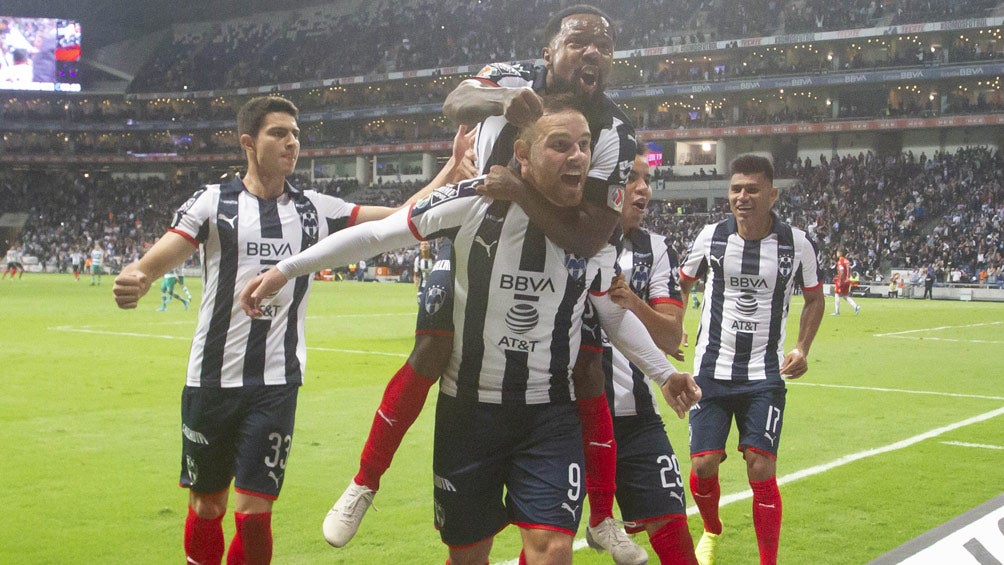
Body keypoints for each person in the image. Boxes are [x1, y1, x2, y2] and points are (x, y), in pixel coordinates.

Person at [240, 98, 700, 565]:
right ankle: (364, 481)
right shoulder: (473, 201)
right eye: (560, 146)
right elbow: (378, 236)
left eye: (583, 145)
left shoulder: (593, 234)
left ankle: (600, 519)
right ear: (522, 154)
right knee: (467, 556)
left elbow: (609, 310)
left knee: (553, 550)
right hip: (469, 413)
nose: (578, 156)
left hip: (548, 415)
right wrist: (286, 270)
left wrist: (664, 375)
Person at [321, 6, 646, 561]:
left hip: (559, 251)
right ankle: (364, 482)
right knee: (435, 346)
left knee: (587, 363)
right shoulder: (509, 75)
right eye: (579, 42)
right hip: (472, 237)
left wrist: (519, 191)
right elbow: (454, 102)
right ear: (549, 50)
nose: (593, 52)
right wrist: (501, 102)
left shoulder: (616, 129)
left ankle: (602, 515)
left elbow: (589, 234)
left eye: (605, 46)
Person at [111, 95, 469, 565]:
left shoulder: (315, 209)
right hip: (212, 379)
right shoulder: (212, 203)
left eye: (295, 134)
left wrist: (450, 171)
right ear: (248, 143)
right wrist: (140, 275)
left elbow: (400, 218)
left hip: (277, 381)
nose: (291, 142)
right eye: (278, 133)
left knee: (254, 513)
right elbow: (164, 254)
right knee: (207, 505)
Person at [679, 155, 825, 565]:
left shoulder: (796, 243)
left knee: (760, 467)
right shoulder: (711, 237)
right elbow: (682, 284)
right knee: (704, 464)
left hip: (764, 374)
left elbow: (814, 298)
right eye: (736, 189)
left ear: (772, 194)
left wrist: (802, 348)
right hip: (711, 369)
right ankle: (711, 529)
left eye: (752, 189)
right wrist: (675, 322)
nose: (742, 197)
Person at [580, 147, 698, 563]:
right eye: (632, 178)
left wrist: (633, 302)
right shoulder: (572, 236)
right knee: (549, 543)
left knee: (674, 533)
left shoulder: (655, 249)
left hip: (637, 420)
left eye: (647, 179)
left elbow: (671, 337)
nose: (643, 188)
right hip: (571, 419)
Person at [832, 250, 860, 315]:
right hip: (847, 280)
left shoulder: (840, 261)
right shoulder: (847, 261)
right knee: (845, 295)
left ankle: (837, 312)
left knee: (837, 294)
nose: (836, 254)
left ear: (840, 253)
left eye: (837, 252)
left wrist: (840, 280)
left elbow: (841, 271)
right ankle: (856, 306)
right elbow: (850, 270)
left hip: (842, 281)